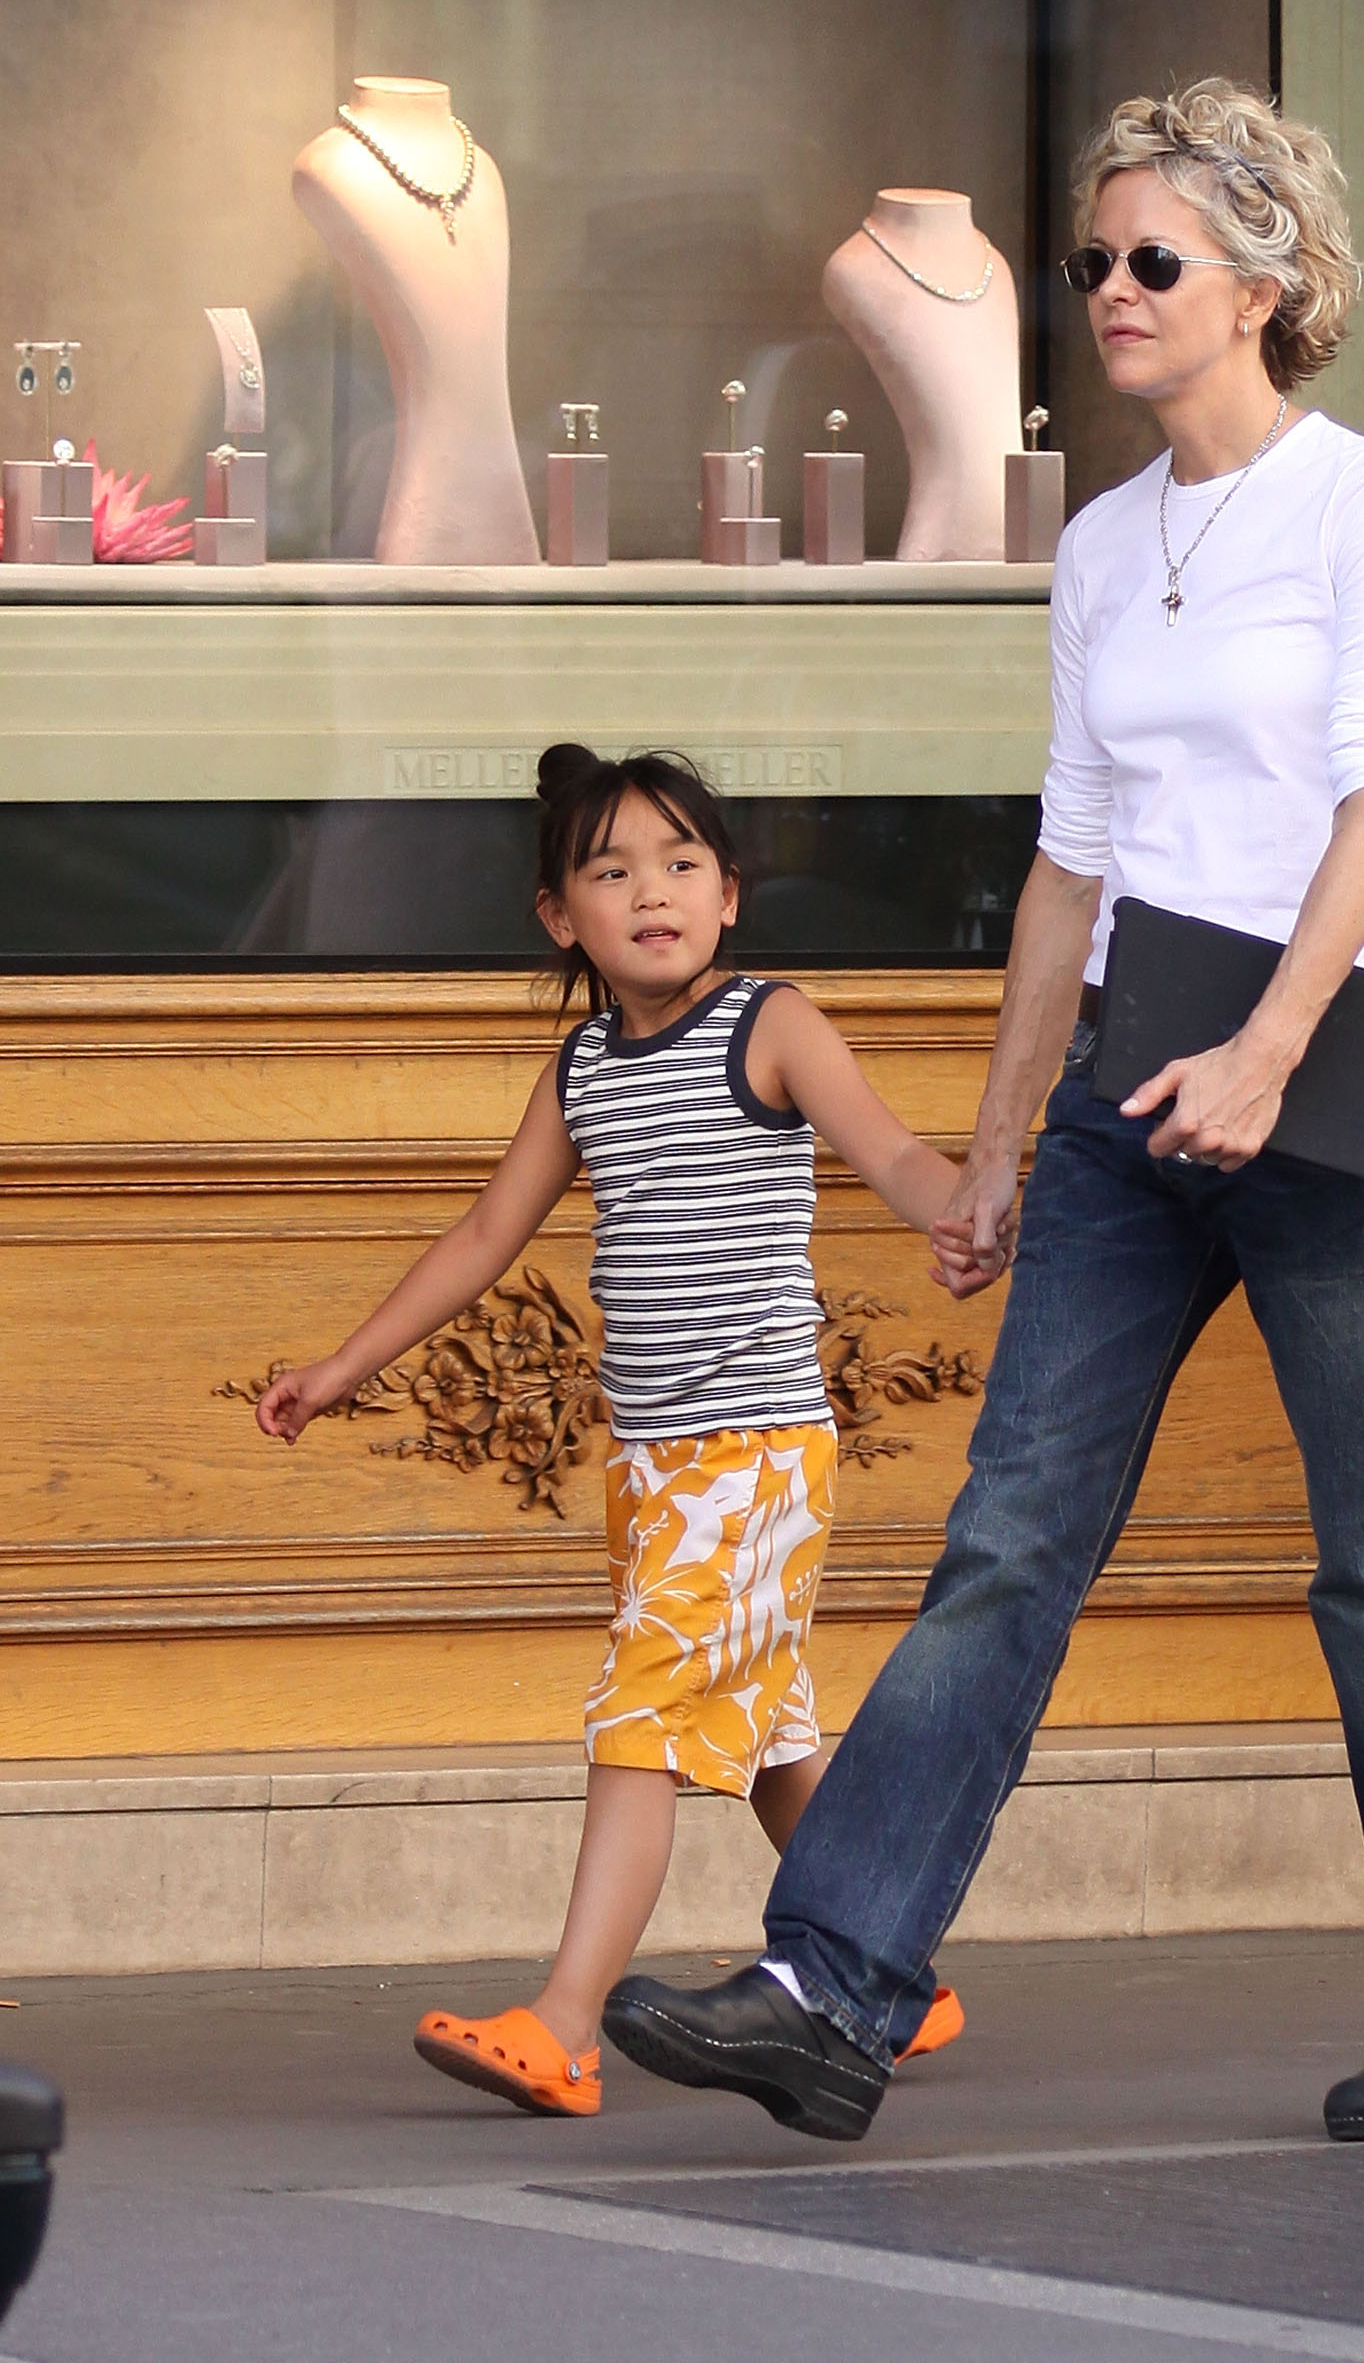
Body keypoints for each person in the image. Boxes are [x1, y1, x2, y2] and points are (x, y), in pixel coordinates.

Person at [598, 79, 1364, 2148]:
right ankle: (833, 1989)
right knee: (1007, 1543)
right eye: (1092, 260)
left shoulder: (1363, 500)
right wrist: (1008, 1139)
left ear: (1265, 282)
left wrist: (1278, 1048)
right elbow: (1071, 859)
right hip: (1131, 1099)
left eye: (1151, 261)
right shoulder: (1107, 541)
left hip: (1312, 1091)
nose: (1106, 291)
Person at [253, 742, 977, 2115]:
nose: (653, 892)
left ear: (730, 893)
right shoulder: (583, 1070)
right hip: (653, 1465)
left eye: (683, 863)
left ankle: (565, 2022)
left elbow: (884, 1147)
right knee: (763, 1736)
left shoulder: (769, 1023)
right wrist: (345, 1364)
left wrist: (962, 1207)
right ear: (558, 916)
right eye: (613, 870)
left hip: (758, 1448)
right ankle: (896, 1972)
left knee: (642, 1719)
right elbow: (483, 1235)